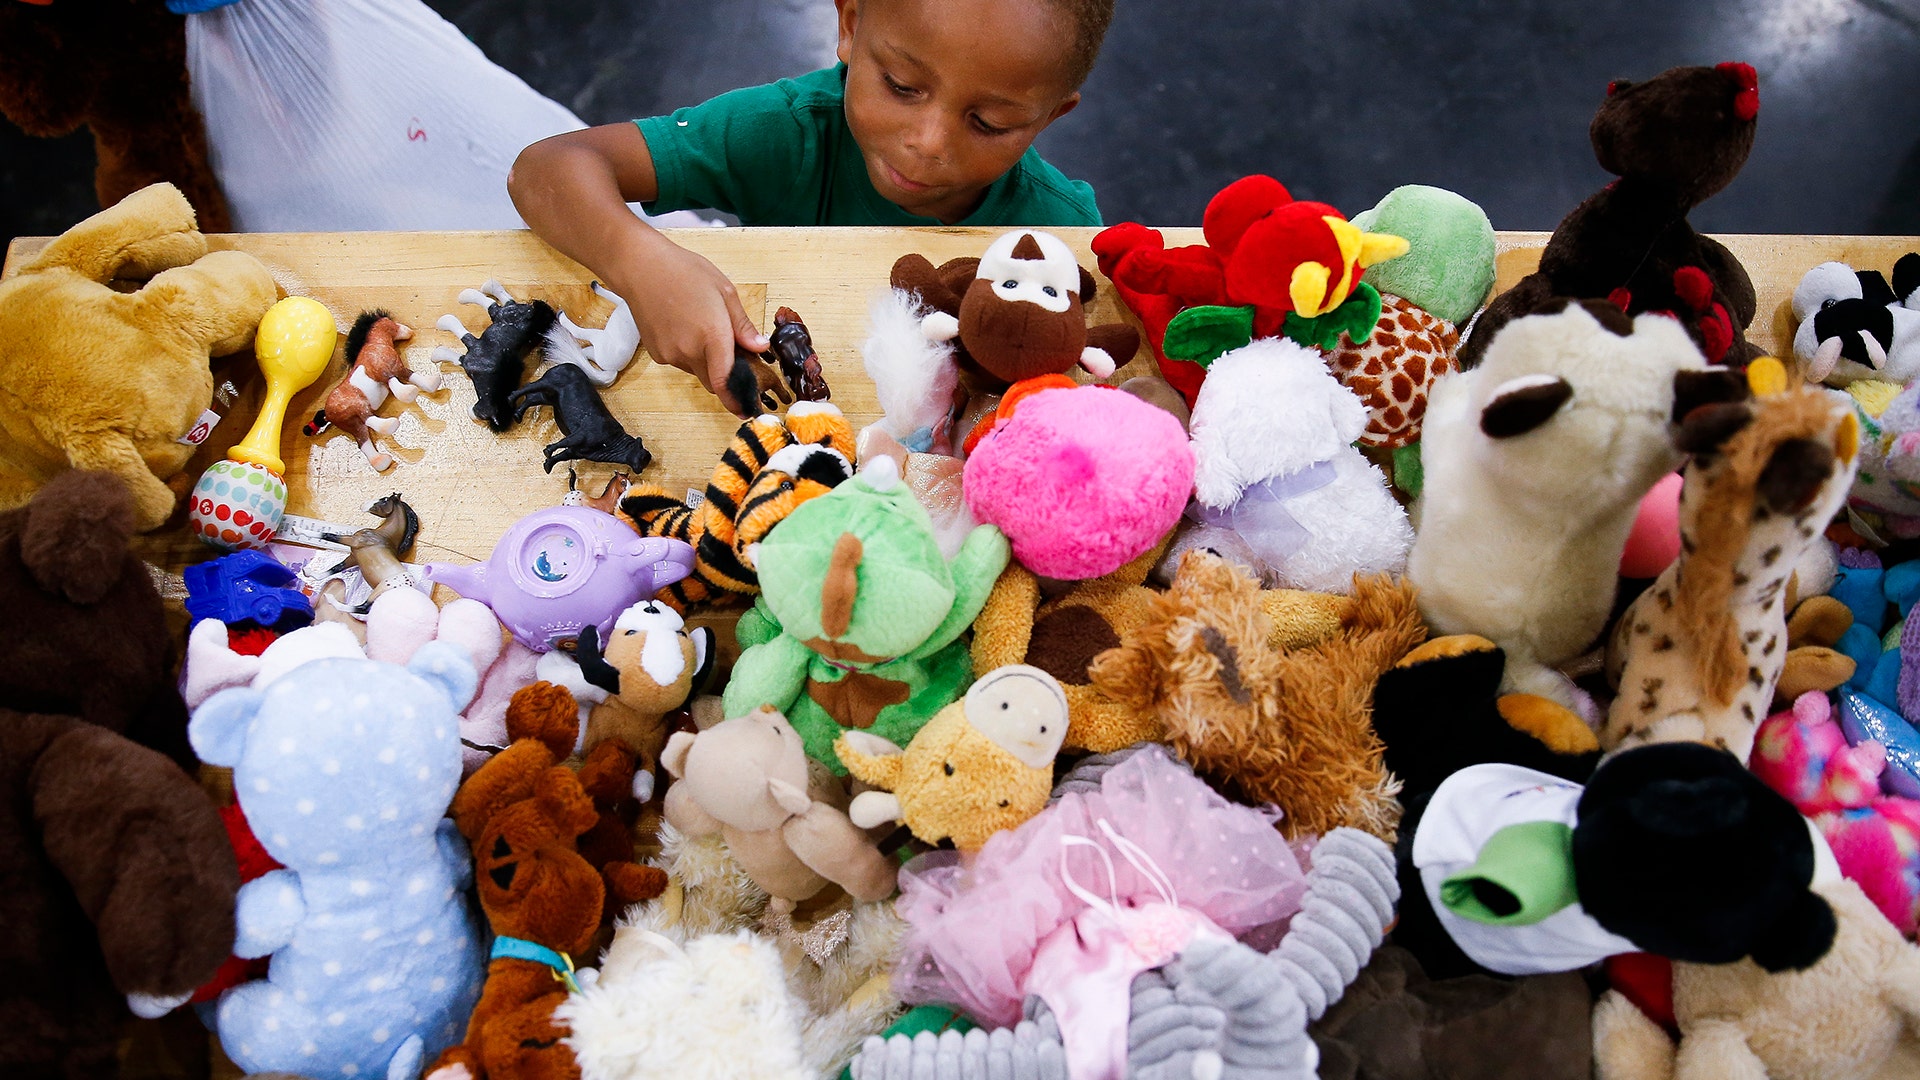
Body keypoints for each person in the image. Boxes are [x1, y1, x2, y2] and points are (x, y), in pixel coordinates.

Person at [508, 0, 1113, 415]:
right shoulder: (784, 133)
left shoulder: (1061, 233)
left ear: (1049, 115)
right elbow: (545, 169)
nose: (929, 142)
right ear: (850, 23)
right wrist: (641, 264)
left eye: (989, 122)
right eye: (902, 86)